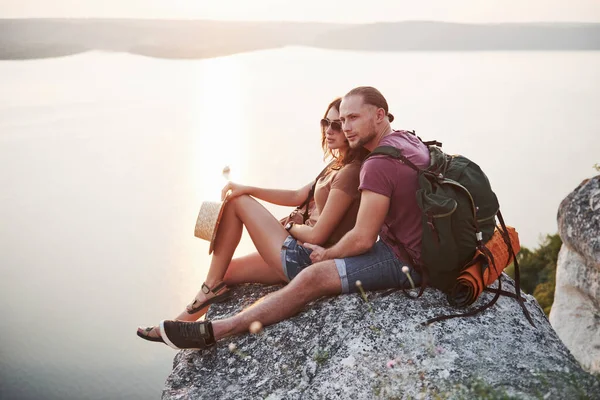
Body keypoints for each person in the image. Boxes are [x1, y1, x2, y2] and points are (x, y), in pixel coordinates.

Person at [157, 86, 432, 350]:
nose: (345, 127)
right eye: (339, 120)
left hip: (406, 259)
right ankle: (182, 319)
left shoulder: (374, 165)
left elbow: (361, 238)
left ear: (380, 115)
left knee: (312, 278)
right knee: (230, 270)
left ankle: (221, 329)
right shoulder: (405, 139)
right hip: (415, 244)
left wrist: (326, 254)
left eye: (352, 118)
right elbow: (306, 196)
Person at [137, 97, 369, 342]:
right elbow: (297, 195)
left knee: (238, 203)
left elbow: (319, 235)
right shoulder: (336, 164)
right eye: (326, 122)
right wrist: (247, 187)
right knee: (227, 270)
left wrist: (288, 226)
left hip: (304, 260)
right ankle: (177, 323)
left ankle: (209, 291)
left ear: (348, 130)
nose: (329, 130)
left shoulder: (350, 172)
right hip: (295, 253)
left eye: (337, 125)